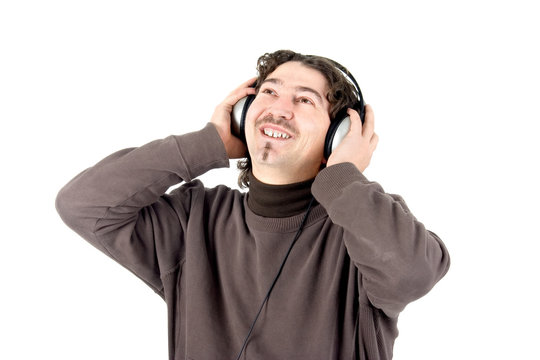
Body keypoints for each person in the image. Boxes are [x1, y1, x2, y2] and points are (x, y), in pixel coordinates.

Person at [56, 49, 450, 360]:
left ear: (339, 136)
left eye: (305, 100)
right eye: (269, 92)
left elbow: (413, 273)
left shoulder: (363, 226)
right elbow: (83, 204)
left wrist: (344, 175)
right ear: (243, 113)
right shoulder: (193, 219)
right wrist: (208, 143)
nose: (279, 108)